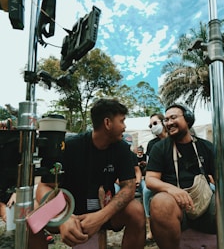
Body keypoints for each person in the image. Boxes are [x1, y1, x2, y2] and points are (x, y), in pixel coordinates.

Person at [35, 99, 145, 249]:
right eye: (122, 121)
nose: (124, 127)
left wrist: (101, 217)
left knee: (136, 210)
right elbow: (45, 186)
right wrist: (63, 217)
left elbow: (129, 187)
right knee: (33, 217)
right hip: (68, 212)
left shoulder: (122, 149)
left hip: (105, 210)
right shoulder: (70, 146)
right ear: (107, 123)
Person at [145, 103, 224, 249]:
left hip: (206, 204)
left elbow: (222, 180)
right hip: (175, 206)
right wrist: (172, 190)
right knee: (160, 202)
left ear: (188, 119)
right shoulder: (159, 148)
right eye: (166, 120)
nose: (169, 122)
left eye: (173, 117)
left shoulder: (205, 146)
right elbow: (150, 179)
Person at [143, 113, 168, 241]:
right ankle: (150, 228)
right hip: (158, 178)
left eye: (155, 123)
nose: (152, 127)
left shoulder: (175, 138)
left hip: (176, 177)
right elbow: (150, 166)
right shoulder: (152, 144)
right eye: (150, 125)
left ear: (164, 122)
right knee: (146, 192)